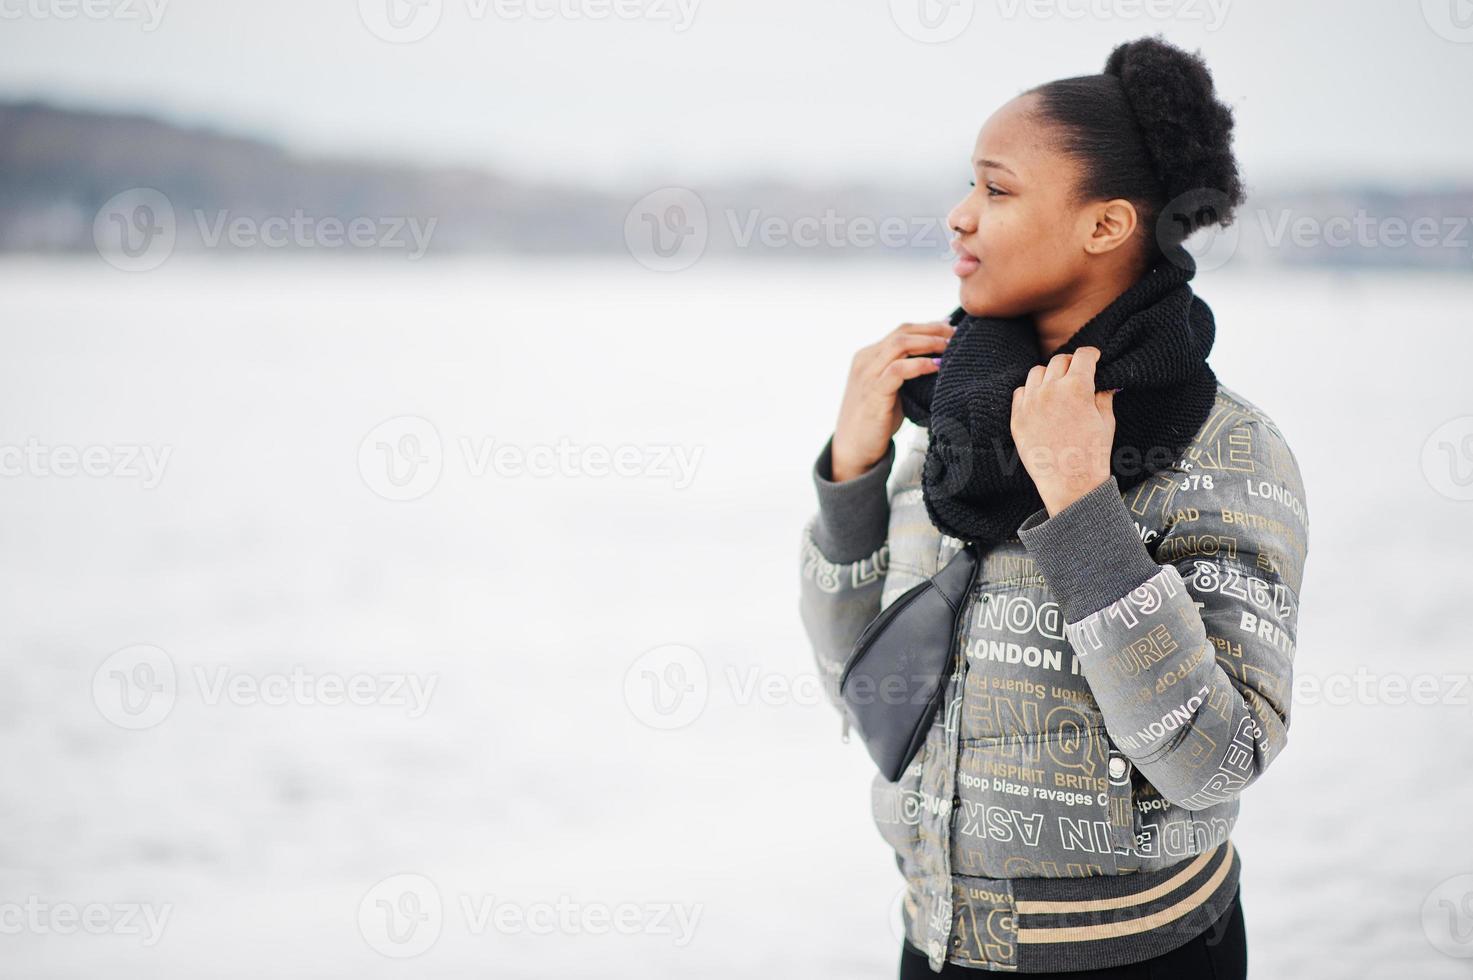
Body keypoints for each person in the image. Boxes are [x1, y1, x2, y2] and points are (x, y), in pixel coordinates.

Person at [798, 35, 1308, 977]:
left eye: (995, 190)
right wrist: (852, 477)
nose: (959, 216)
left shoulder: (1224, 447)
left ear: (1106, 226)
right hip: (937, 942)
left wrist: (1081, 508)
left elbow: (1218, 759)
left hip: (1141, 958)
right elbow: (864, 694)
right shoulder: (950, 425)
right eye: (969, 186)